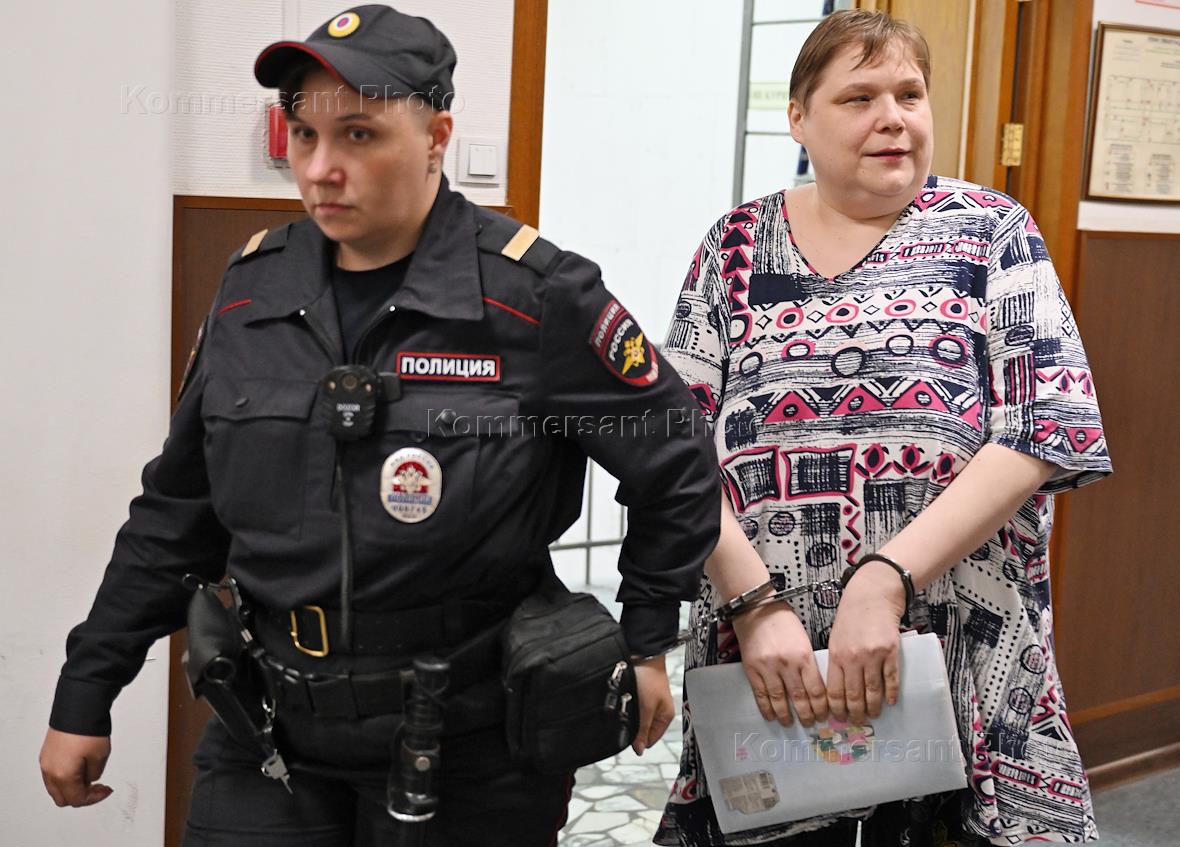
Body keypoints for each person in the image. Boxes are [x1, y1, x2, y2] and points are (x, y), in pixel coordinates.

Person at [38, 6, 720, 845]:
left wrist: (647, 637)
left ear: (437, 137)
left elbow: (676, 459)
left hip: (472, 740)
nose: (321, 168)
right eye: (304, 135)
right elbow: (177, 511)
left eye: (359, 135)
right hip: (271, 730)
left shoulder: (535, 298)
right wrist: (87, 686)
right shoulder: (251, 292)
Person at [656, 10, 1110, 847]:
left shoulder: (992, 232)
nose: (893, 117)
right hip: (771, 656)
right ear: (799, 118)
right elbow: (672, 447)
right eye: (859, 97)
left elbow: (1042, 427)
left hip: (961, 647)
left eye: (909, 94)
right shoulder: (734, 247)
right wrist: (754, 603)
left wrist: (884, 580)